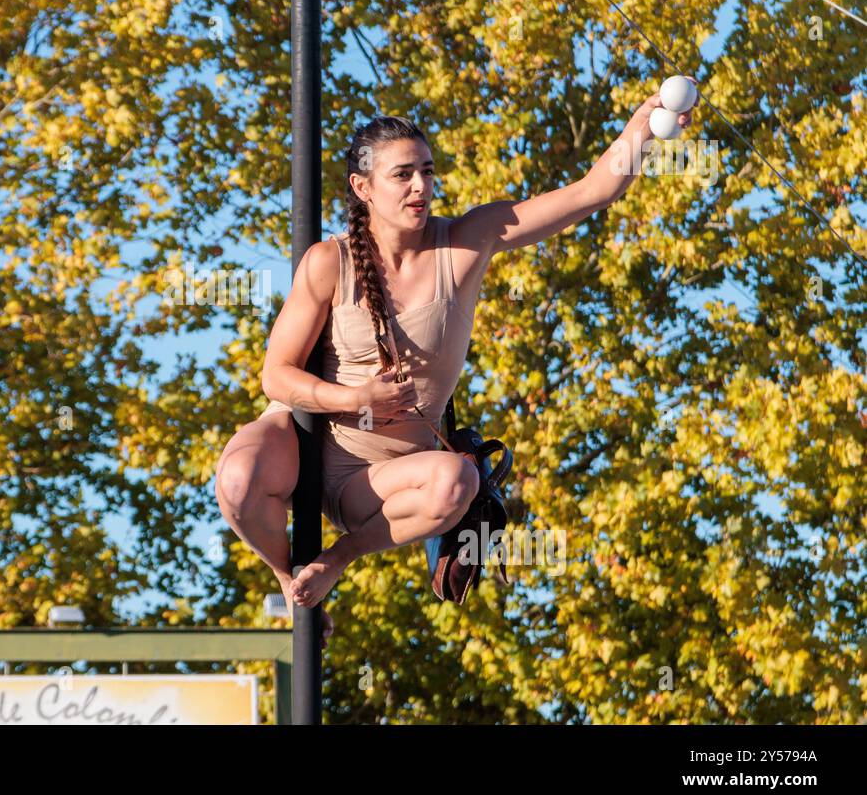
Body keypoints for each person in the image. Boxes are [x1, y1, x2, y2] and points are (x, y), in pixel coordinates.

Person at [214, 90, 695, 646]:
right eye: (403, 175)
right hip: (305, 440)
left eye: (427, 171)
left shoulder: (467, 241)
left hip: (375, 481)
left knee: (456, 483)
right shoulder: (329, 261)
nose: (421, 186)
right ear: (362, 188)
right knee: (238, 481)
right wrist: (355, 400)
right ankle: (291, 578)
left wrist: (641, 128)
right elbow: (276, 375)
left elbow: (592, 192)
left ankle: (334, 562)